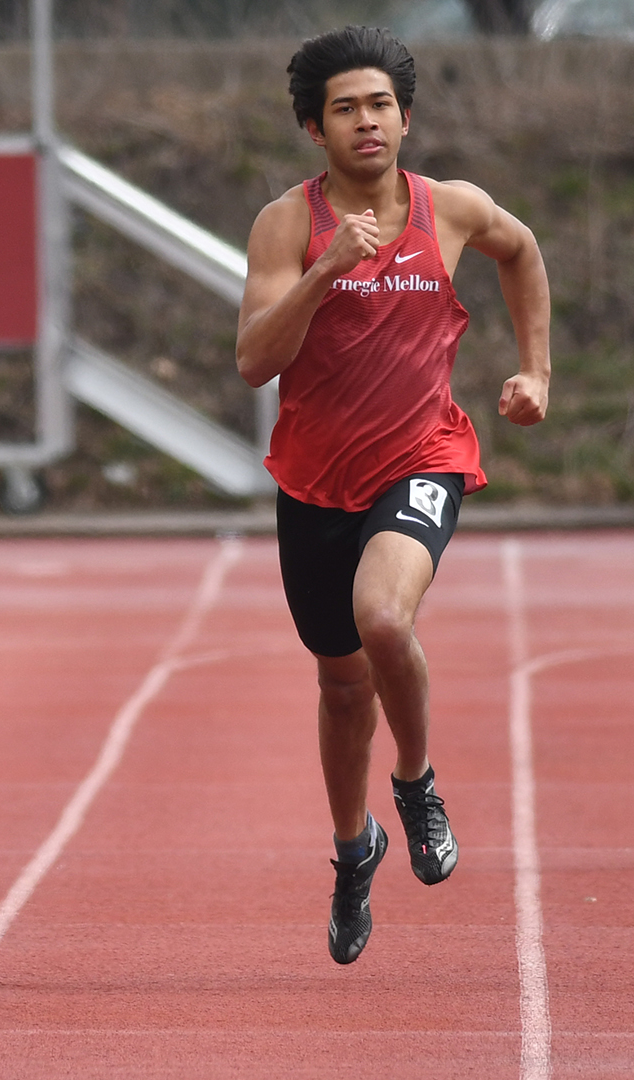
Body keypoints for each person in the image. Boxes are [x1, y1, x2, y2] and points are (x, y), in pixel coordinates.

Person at [235, 25, 550, 965]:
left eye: (380, 105)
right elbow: (254, 360)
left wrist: (536, 369)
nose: (366, 121)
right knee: (341, 689)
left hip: (423, 456)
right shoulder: (287, 225)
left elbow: (522, 251)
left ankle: (415, 784)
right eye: (345, 109)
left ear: (405, 117)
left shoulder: (450, 208)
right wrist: (326, 271)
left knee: (382, 617)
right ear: (315, 128)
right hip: (314, 482)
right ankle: (353, 847)